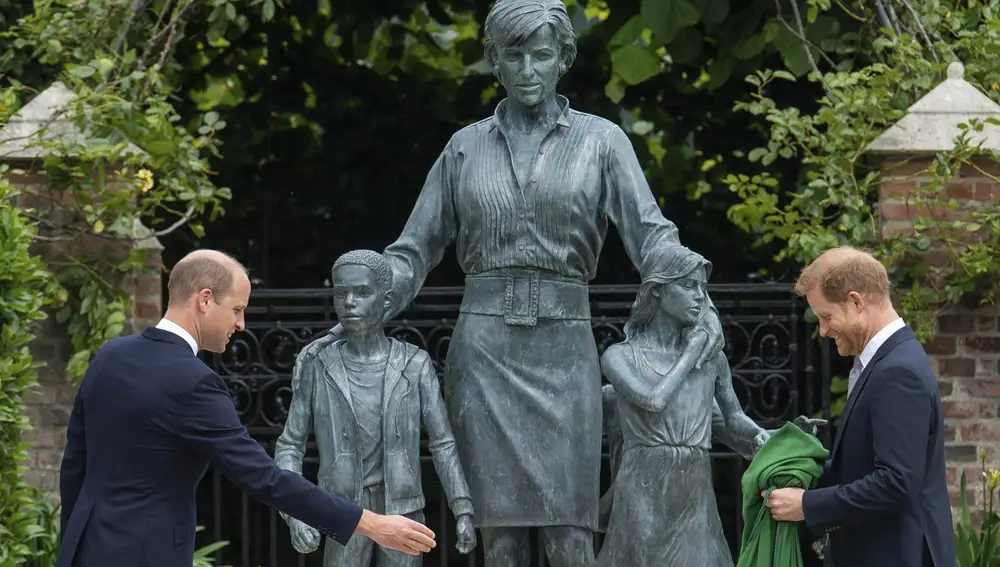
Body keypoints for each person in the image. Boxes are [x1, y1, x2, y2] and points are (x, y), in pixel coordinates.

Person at [298, 1, 725, 565]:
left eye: (542, 55)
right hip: (485, 354)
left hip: (565, 349)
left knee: (572, 533)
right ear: (494, 62)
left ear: (564, 59)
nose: (528, 69)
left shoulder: (601, 142)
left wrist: (694, 291)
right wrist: (368, 301)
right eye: (514, 55)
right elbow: (412, 252)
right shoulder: (463, 148)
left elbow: (652, 236)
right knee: (499, 537)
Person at [55, 249, 436, 567]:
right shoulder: (194, 382)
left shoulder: (110, 355)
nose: (241, 324)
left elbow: (75, 464)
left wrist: (73, 540)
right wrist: (370, 524)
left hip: (85, 546)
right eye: (237, 309)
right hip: (148, 554)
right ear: (204, 300)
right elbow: (263, 477)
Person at [274, 250, 477, 566]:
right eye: (341, 293)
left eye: (362, 292)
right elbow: (290, 446)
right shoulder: (318, 366)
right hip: (342, 513)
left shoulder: (415, 365)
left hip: (403, 512)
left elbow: (443, 444)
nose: (350, 302)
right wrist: (294, 512)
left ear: (386, 300)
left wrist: (462, 508)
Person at [764, 246, 955, 567]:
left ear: (856, 302)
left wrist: (809, 505)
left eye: (826, 317)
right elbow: (865, 467)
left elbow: (896, 483)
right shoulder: (885, 362)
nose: (823, 330)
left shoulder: (898, 371)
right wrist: (801, 476)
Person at [596, 243, 769, 567]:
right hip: (643, 488)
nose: (699, 297)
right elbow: (653, 400)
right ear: (658, 290)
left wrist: (767, 436)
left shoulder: (712, 361)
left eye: (703, 288)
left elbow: (733, 420)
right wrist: (690, 355)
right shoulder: (620, 356)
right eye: (688, 286)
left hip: (693, 491)